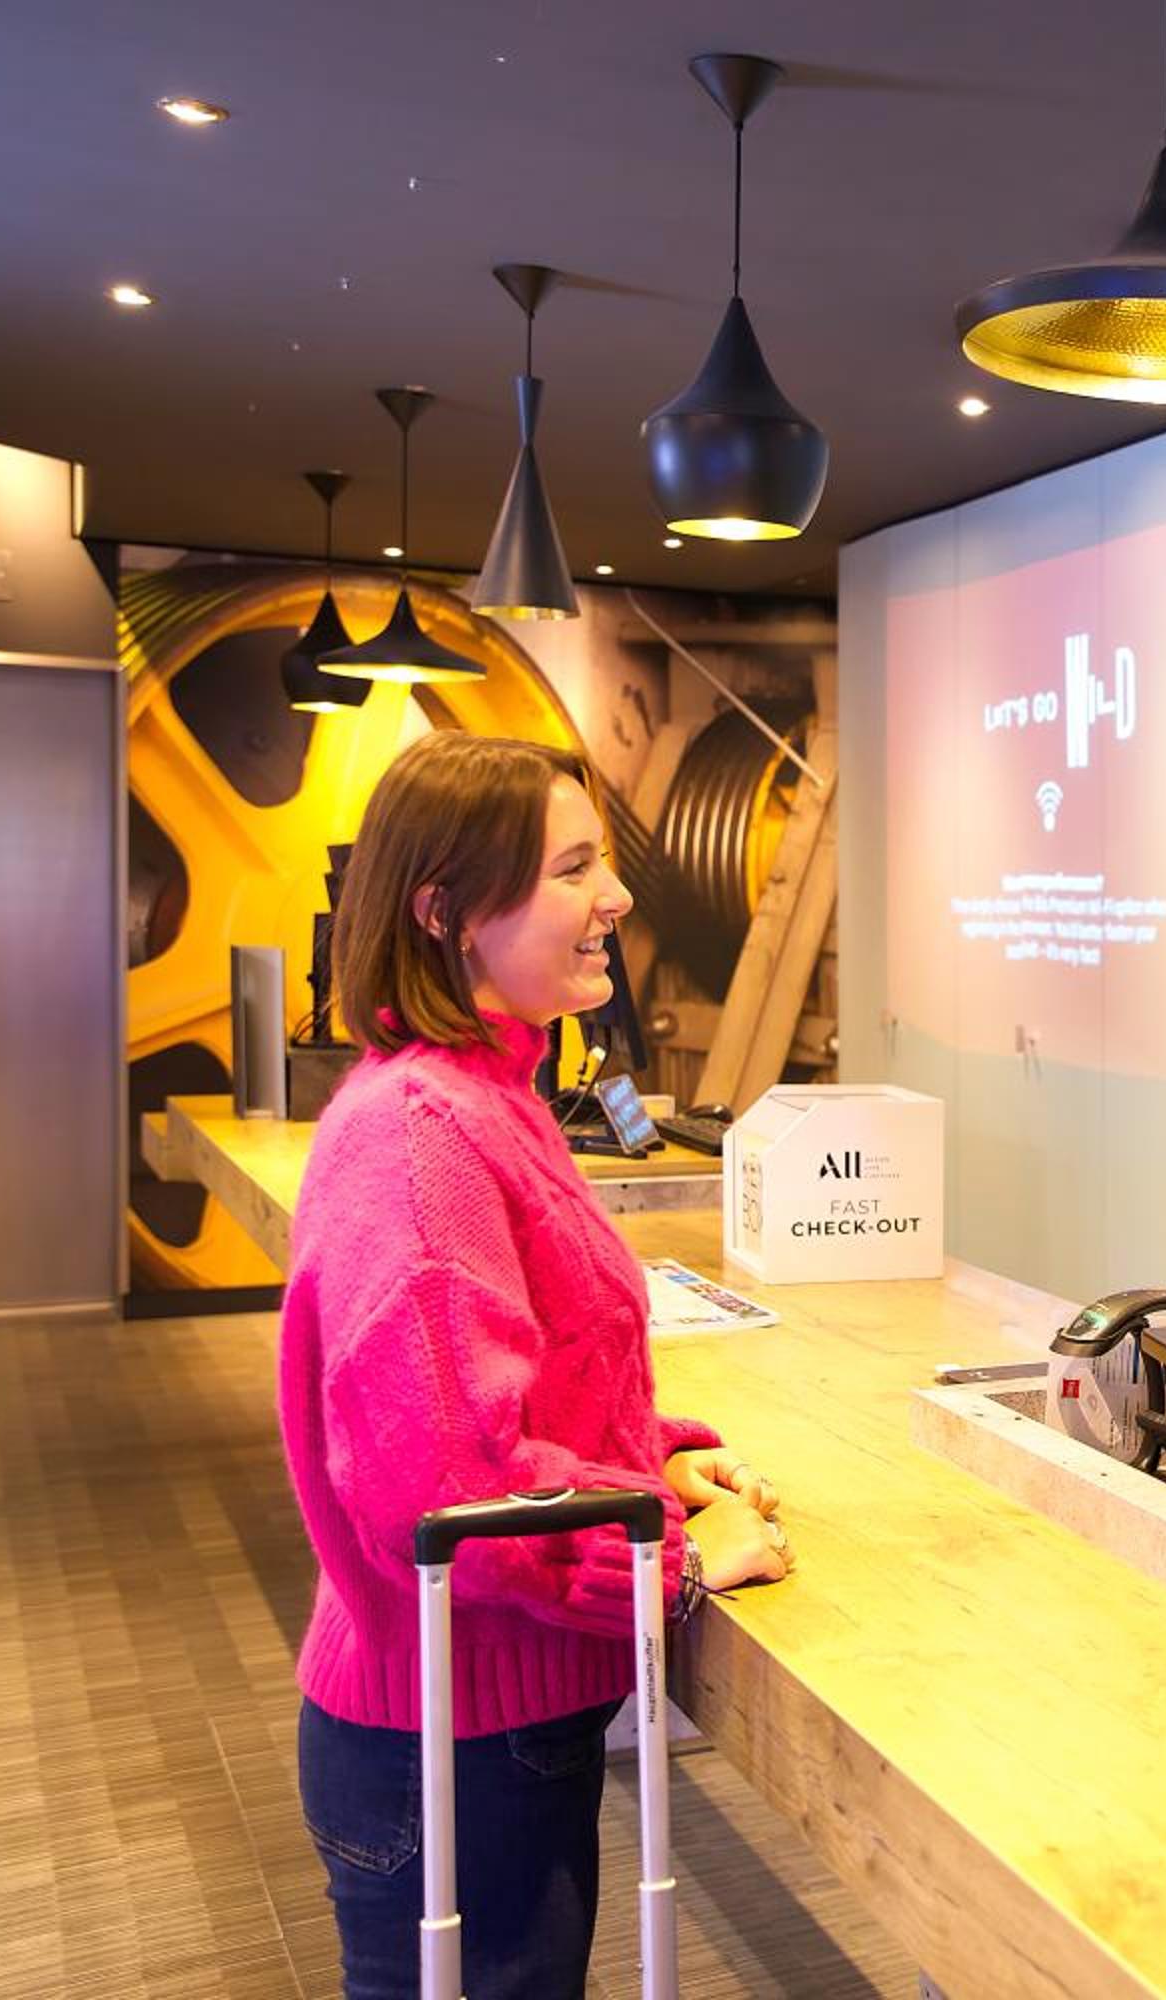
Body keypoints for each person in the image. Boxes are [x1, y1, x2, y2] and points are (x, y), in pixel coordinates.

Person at [279, 732, 793, 1997]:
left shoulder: (482, 1096)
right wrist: (668, 1556)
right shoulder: (421, 1137)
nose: (614, 897)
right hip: (449, 1745)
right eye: (572, 868)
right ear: (444, 909)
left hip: (486, 1727)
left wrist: (657, 1460)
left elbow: (509, 1385)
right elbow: (450, 1491)